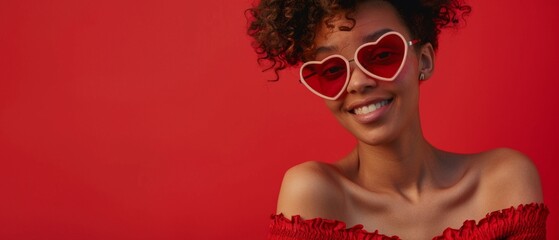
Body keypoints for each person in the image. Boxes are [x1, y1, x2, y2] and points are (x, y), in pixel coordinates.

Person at [246, 0, 548, 239]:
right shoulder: (313, 194)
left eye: (381, 54)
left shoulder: (504, 182)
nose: (358, 82)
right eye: (332, 70)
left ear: (424, 61)